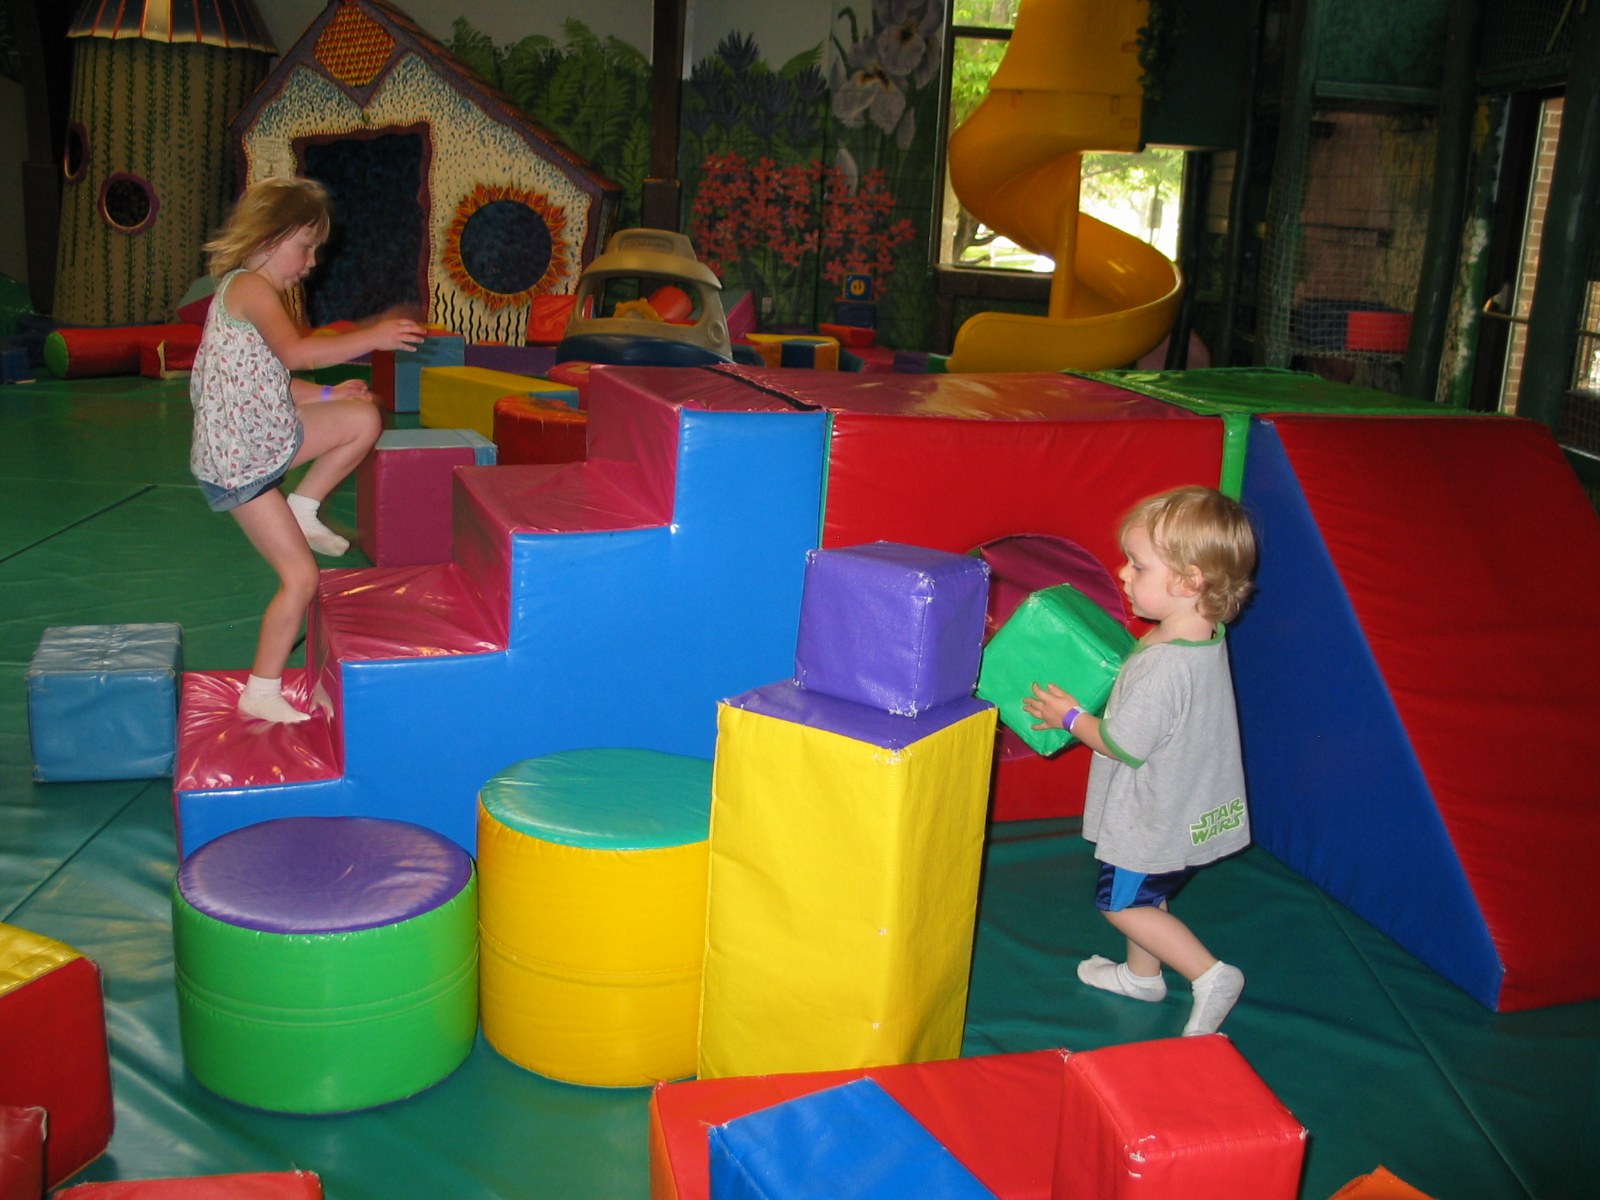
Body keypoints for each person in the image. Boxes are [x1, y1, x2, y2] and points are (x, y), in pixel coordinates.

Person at [1022, 486, 1257, 1036]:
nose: (1123, 573)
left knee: (1121, 904)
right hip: (1186, 803)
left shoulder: (1164, 666)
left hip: (1156, 819)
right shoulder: (1200, 634)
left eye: (1138, 565)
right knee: (1146, 895)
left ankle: (1210, 975)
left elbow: (1120, 743)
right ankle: (1141, 977)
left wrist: (1068, 716)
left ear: (1190, 581)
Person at [190, 176, 423, 724]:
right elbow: (296, 353)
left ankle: (303, 506)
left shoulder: (251, 295)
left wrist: (329, 395)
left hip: (264, 435)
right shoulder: (249, 288)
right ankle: (261, 690)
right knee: (301, 578)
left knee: (361, 417)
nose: (312, 262)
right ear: (272, 237)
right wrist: (373, 336)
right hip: (239, 463)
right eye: (306, 246)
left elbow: (271, 380)